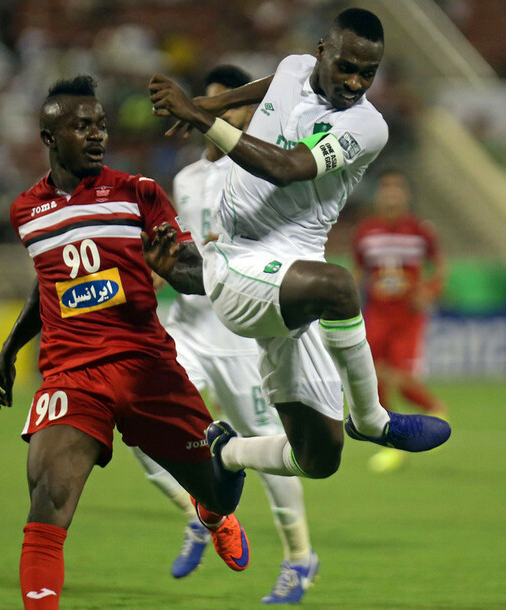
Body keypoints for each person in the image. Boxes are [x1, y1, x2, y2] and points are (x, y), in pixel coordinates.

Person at [146, 7, 450, 487]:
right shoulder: (293, 67)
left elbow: (285, 168)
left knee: (319, 456)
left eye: (367, 73)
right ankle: (372, 419)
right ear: (321, 52)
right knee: (339, 287)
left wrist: (199, 117)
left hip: (294, 280)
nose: (354, 83)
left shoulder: (367, 127)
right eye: (345, 67)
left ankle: (226, 453)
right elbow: (277, 83)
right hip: (240, 259)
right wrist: (212, 104)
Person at [0, 75, 249, 610]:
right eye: (83, 126)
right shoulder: (26, 211)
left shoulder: (139, 193)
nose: (98, 135)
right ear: (50, 136)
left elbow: (193, 275)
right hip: (72, 375)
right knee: (48, 504)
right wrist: (9, 350)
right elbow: (47, 284)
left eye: (101, 125)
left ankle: (213, 511)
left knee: (220, 488)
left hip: (147, 366)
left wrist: (172, 267)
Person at [131, 65, 320, 604]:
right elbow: (178, 248)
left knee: (267, 449)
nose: (210, 113)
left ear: (247, 114)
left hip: (241, 337)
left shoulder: (262, 173)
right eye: (205, 103)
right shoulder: (186, 179)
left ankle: (300, 557)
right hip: (187, 330)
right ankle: (201, 513)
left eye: (225, 104)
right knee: (141, 424)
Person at [352, 169, 448, 473]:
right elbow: (358, 271)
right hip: (377, 315)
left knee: (401, 378)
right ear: (378, 194)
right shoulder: (366, 231)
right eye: (386, 187)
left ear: (406, 194)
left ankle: (435, 410)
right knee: (376, 379)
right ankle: (391, 442)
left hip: (407, 317)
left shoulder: (420, 230)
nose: (392, 193)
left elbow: (439, 266)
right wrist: (351, 303)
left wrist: (430, 291)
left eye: (397, 187)